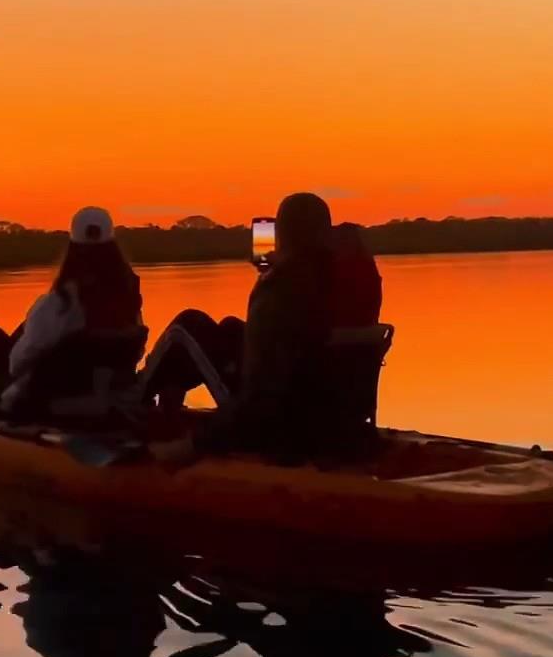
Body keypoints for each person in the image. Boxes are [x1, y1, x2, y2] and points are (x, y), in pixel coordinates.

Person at [144, 192, 384, 465]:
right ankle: (166, 413)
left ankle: (135, 404)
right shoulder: (347, 276)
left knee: (187, 327)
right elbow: (305, 321)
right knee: (231, 328)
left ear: (283, 234)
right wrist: (279, 270)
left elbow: (262, 394)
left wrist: (192, 446)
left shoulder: (283, 292)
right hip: (333, 405)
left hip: (282, 420)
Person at [0, 207, 145, 419]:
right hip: (107, 395)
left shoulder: (58, 303)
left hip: (47, 395)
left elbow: (17, 363)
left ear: (72, 249)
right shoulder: (130, 302)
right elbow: (135, 353)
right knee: (6, 336)